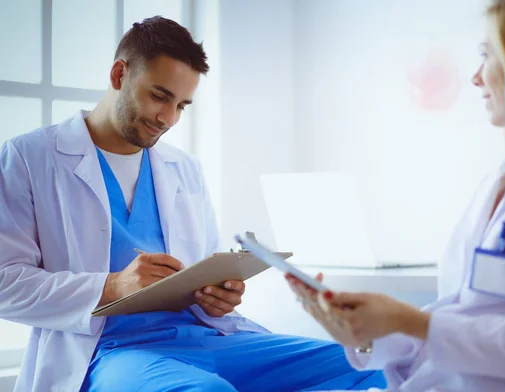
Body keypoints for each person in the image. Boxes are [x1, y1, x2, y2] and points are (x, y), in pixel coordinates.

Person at [0, 16, 386, 392]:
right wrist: (114, 286)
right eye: (159, 96)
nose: (168, 118)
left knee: (375, 363)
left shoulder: (183, 169)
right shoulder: (31, 157)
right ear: (119, 75)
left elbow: (200, 268)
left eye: (182, 105)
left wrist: (218, 297)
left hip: (206, 338)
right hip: (109, 352)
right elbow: (5, 284)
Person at [288, 0, 505, 391]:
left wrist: (410, 320)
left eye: (487, 56)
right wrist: (363, 332)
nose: (475, 78)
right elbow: (457, 320)